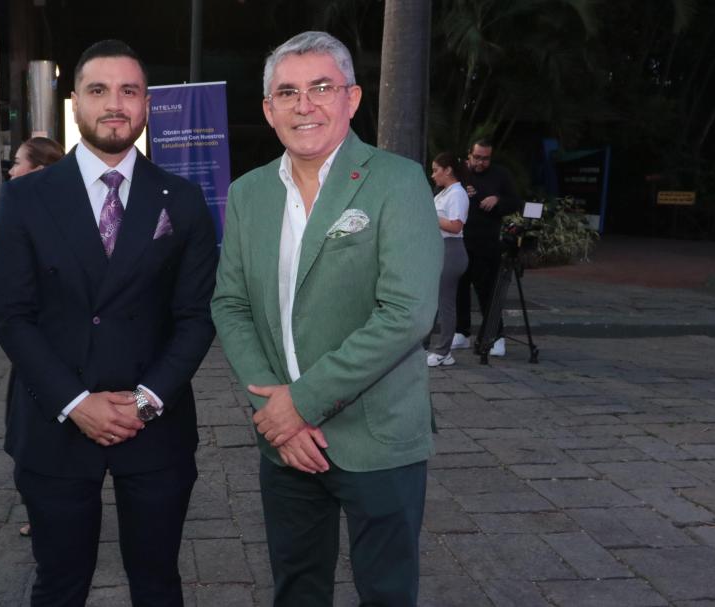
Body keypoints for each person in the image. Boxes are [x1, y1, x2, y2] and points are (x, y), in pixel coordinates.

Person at [210, 31, 441, 606]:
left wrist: (300, 403)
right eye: (287, 92)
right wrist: (275, 410)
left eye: (321, 87)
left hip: (377, 437)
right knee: (297, 590)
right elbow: (230, 304)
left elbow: (407, 313)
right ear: (269, 110)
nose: (304, 105)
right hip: (285, 443)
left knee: (387, 594)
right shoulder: (247, 193)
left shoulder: (397, 180)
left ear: (352, 98)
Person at [0, 39, 217, 606]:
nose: (115, 103)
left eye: (129, 91)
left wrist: (145, 401)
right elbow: (12, 317)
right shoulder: (24, 198)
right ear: (76, 102)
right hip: (54, 419)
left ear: (146, 105)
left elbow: (195, 318)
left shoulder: (184, 200)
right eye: (99, 90)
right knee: (59, 585)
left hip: (155, 423)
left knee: (158, 584)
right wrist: (75, 402)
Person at [453, 139, 520, 356]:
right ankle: (461, 332)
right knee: (460, 289)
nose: (481, 162)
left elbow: (515, 202)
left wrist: (497, 200)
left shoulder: (500, 175)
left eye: (486, 158)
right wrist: (461, 192)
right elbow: (439, 193)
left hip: (486, 243)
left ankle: (495, 335)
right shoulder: (459, 172)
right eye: (477, 157)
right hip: (460, 240)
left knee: (487, 292)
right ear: (469, 154)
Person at [427, 152, 471, 367]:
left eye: (436, 170)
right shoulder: (444, 193)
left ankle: (443, 351)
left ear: (448, 170)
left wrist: (429, 216)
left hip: (451, 250)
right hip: (439, 250)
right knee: (435, 302)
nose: (433, 174)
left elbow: (455, 225)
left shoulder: (457, 194)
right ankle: (430, 347)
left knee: (445, 303)